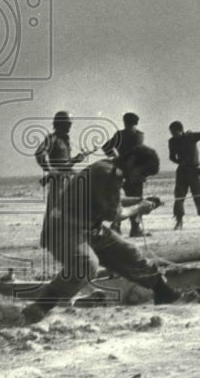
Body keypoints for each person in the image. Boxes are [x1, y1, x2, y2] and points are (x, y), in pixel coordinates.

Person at [21, 145, 181, 325]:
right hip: (63, 229)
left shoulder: (109, 170)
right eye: (143, 173)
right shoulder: (108, 173)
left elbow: (111, 199)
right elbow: (113, 214)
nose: (143, 180)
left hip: (90, 230)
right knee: (86, 263)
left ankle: (163, 292)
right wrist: (139, 208)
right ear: (131, 162)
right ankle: (40, 307)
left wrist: (140, 201)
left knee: (130, 253)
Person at [35, 111, 85, 249]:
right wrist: (49, 169)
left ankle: (67, 236)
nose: (69, 126)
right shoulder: (52, 139)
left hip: (69, 177)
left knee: (71, 206)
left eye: (70, 124)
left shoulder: (66, 140)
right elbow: (40, 153)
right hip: (59, 180)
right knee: (55, 206)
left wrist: (75, 160)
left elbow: (66, 162)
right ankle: (48, 239)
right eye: (67, 124)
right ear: (60, 124)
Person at [102, 112, 148, 238]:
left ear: (124, 121)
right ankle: (135, 228)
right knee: (137, 198)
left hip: (121, 171)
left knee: (121, 199)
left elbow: (106, 147)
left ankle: (116, 227)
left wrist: (117, 157)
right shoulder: (139, 135)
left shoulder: (119, 135)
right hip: (135, 171)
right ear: (136, 122)